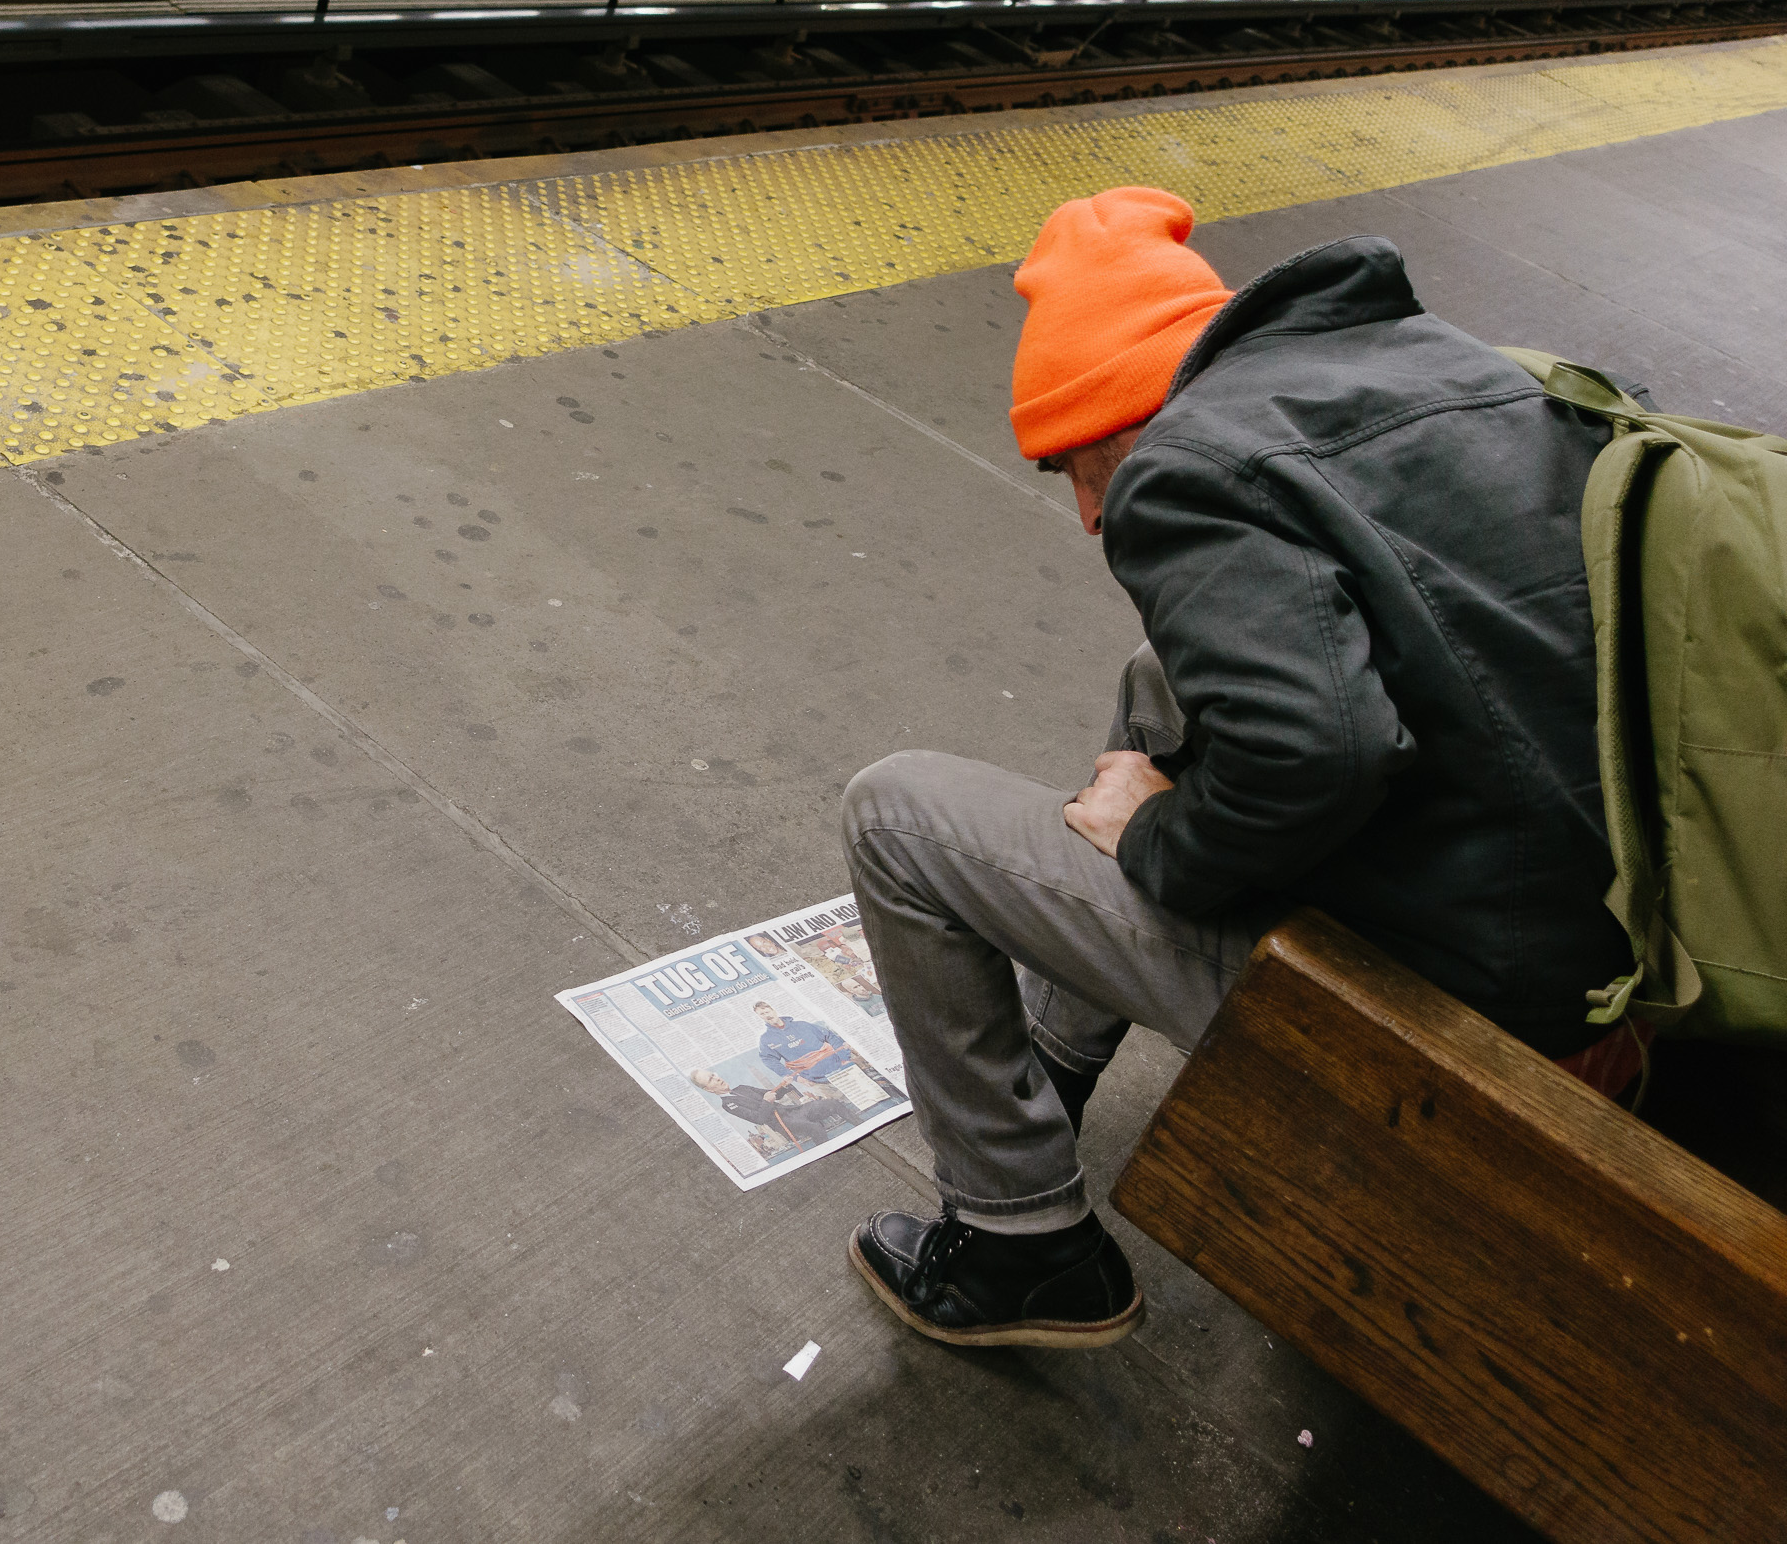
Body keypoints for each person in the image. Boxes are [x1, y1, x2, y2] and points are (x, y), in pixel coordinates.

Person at [842, 187, 1630, 1349]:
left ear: (1125, 416)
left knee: (893, 816)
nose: (1081, 512)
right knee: (1158, 679)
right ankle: (1049, 1074)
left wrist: (1149, 835)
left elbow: (1320, 752)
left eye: (1071, 462)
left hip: (1472, 1027)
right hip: (1597, 935)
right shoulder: (1440, 368)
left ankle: (1019, 1248)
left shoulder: (1181, 468)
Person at [690, 1067, 861, 1148]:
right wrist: (767, 1101)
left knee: (833, 1103)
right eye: (711, 1080)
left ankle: (861, 1126)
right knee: (815, 1127)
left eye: (713, 1075)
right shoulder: (728, 1104)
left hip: (793, 1111)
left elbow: (773, 1093)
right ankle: (827, 1154)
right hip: (783, 1123)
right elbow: (759, 1119)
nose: (717, 1079)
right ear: (708, 1089)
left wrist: (785, 1085)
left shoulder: (742, 1088)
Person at [752, 1001, 857, 1088]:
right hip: (817, 1082)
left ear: (773, 1010)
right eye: (762, 1014)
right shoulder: (766, 1039)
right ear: (759, 1017)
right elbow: (769, 1060)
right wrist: (796, 1078)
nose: (767, 1016)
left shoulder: (803, 1025)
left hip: (842, 1068)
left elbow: (830, 1036)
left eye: (767, 1012)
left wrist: (845, 1057)